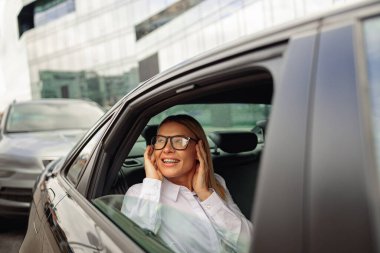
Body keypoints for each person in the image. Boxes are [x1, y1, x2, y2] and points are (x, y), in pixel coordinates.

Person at [121, 114, 253, 253]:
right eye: (160, 141)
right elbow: (134, 244)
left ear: (198, 149)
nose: (166, 149)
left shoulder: (216, 183)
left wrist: (206, 195)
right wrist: (153, 183)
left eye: (179, 141)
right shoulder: (139, 194)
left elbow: (250, 244)